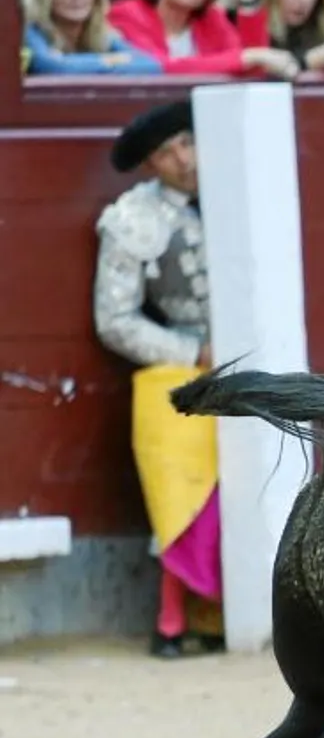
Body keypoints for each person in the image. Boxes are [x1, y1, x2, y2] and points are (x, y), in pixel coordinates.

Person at [93, 100, 226, 659]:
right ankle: (173, 620)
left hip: (253, 356)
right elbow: (114, 318)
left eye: (188, 144)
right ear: (150, 165)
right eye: (167, 153)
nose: (184, 160)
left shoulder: (237, 188)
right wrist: (193, 350)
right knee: (185, 493)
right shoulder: (132, 218)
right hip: (184, 367)